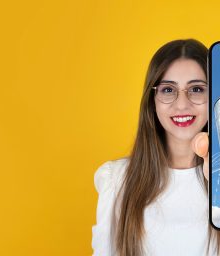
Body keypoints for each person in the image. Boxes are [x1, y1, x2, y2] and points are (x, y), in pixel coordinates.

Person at [91, 39, 220, 256]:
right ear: (153, 101)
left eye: (196, 88)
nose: (181, 104)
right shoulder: (116, 180)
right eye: (168, 89)